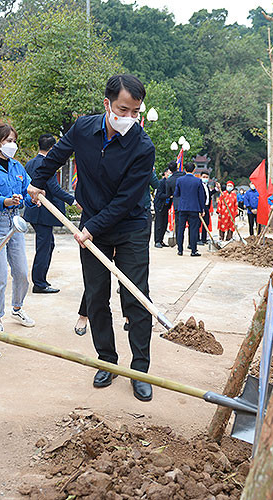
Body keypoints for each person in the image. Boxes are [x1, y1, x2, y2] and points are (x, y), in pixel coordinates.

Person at [27, 74, 156, 402]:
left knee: (135, 297)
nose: (128, 118)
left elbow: (126, 200)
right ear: (107, 104)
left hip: (130, 226)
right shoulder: (83, 128)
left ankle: (139, 369)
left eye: (135, 112)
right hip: (92, 224)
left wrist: (92, 227)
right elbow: (53, 158)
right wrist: (37, 182)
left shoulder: (142, 147)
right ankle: (107, 361)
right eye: (122, 109)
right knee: (96, 296)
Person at [0, 123, 35, 332]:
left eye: (14, 141)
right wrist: (7, 200)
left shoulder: (17, 166)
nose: (12, 145)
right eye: (8, 141)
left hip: (16, 224)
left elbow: (27, 190)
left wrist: (33, 198)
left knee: (22, 272)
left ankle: (17, 307)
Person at [24, 133, 77, 294]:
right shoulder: (48, 164)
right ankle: (39, 283)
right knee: (44, 248)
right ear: (53, 148)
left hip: (35, 212)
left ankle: (41, 280)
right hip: (44, 212)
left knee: (48, 245)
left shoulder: (30, 163)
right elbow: (54, 189)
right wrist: (73, 201)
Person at [174, 162, 206, 256]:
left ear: (184, 170)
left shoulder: (179, 180)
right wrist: (202, 209)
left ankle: (180, 250)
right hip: (194, 208)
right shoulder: (198, 181)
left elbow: (176, 194)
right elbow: (201, 196)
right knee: (193, 230)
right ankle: (193, 250)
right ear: (194, 170)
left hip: (182, 207)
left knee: (180, 229)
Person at [153, 167, 173, 247]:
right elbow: (159, 194)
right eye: (169, 173)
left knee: (164, 224)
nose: (170, 174)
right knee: (159, 224)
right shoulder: (161, 182)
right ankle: (157, 241)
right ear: (165, 173)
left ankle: (161, 240)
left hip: (166, 206)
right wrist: (168, 196)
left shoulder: (170, 183)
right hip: (160, 205)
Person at [199, 172, 212, 244]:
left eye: (207, 177)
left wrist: (216, 189)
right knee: (198, 224)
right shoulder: (199, 185)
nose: (205, 178)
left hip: (207, 207)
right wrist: (202, 208)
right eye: (204, 177)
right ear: (201, 177)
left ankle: (204, 239)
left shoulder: (207, 186)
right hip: (201, 206)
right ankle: (197, 239)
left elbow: (209, 195)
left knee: (206, 223)